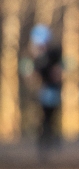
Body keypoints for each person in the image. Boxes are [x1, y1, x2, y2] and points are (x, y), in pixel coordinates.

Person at [25, 25, 62, 154]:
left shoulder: (54, 54)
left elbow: (60, 71)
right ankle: (44, 143)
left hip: (52, 90)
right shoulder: (34, 58)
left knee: (51, 117)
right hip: (41, 92)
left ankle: (51, 142)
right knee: (43, 118)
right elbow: (30, 74)